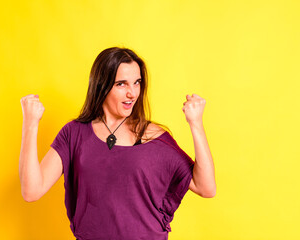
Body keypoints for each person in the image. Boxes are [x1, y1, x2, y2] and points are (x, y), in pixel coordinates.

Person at [19, 47, 216, 240]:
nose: (132, 93)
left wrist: (196, 124)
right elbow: (31, 190)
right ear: (101, 85)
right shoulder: (74, 133)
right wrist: (30, 124)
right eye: (121, 84)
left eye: (137, 83)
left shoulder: (154, 137)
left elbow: (206, 187)